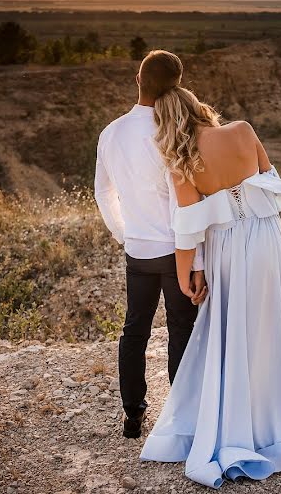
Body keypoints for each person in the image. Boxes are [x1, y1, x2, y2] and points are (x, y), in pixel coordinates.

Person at [137, 51, 281, 488]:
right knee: (270, 324)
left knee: (234, 330)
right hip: (268, 238)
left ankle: (240, 416)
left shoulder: (179, 159)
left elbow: (188, 229)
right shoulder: (243, 130)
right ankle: (278, 409)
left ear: (167, 122)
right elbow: (272, 184)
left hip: (228, 247)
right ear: (201, 108)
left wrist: (186, 276)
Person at [94, 50, 209, 439]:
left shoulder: (110, 133)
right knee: (181, 330)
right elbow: (184, 204)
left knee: (135, 329)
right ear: (176, 86)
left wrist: (124, 233)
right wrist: (198, 260)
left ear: (137, 79)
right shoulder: (171, 132)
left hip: (137, 251)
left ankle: (132, 415)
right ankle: (182, 418)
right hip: (176, 249)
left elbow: (102, 192)